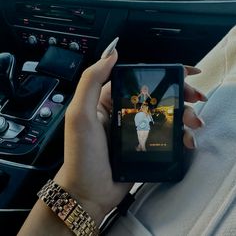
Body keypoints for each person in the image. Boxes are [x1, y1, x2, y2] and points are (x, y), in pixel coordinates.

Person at [17, 38, 207, 236]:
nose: (143, 90)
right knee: (147, 129)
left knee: (157, 125)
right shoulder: (137, 100)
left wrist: (84, 197)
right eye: (142, 89)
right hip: (138, 120)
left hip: (143, 121)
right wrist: (82, 196)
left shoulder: (145, 99)